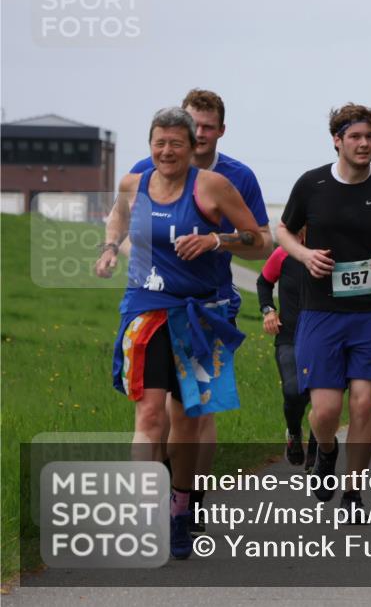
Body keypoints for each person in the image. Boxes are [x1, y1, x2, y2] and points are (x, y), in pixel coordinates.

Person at [96, 107, 268, 559]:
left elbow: (259, 240)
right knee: (150, 416)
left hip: (198, 314)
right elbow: (117, 216)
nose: (166, 151)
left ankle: (180, 508)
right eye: (159, 142)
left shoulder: (213, 187)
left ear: (192, 147)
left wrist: (216, 240)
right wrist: (110, 247)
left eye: (176, 143)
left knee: (186, 421)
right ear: (150, 145)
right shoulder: (134, 183)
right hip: (145, 309)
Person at [276, 104, 371, 519]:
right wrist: (304, 255)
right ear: (337, 140)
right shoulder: (312, 184)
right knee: (325, 411)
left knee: (362, 405)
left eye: (370, 137)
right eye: (356, 137)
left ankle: (354, 493)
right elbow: (283, 230)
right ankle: (326, 450)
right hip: (321, 311)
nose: (364, 144)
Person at [256, 231, 317, 471]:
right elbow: (264, 282)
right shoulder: (283, 254)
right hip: (289, 336)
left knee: (322, 399)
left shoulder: (334, 253)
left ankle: (316, 451)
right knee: (293, 392)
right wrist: (268, 310)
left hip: (324, 339)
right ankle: (293, 433)